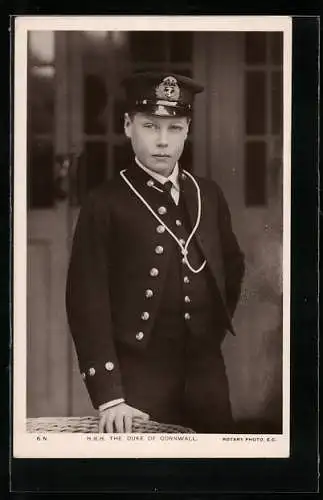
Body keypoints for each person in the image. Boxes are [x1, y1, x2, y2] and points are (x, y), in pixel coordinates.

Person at [65, 72, 245, 433]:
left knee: (216, 475)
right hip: (138, 379)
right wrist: (110, 395)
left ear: (187, 129)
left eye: (174, 128)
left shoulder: (207, 194)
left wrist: (207, 338)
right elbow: (87, 300)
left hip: (205, 374)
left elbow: (232, 269)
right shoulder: (105, 203)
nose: (162, 141)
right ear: (128, 126)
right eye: (151, 126)